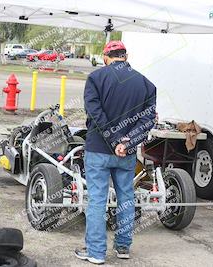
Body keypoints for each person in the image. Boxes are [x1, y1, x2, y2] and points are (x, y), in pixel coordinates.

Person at [75, 41, 157, 264]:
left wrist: (114, 139)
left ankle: (96, 253)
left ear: (105, 57)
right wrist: (127, 143)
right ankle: (123, 247)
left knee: (97, 201)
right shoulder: (147, 85)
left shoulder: (96, 79)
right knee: (126, 199)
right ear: (126, 56)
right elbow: (147, 120)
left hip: (99, 150)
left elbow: (94, 113)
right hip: (127, 154)